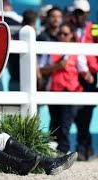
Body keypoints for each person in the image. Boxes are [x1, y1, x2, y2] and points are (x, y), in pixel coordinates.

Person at [39, 23, 93, 155]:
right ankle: (57, 152)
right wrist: (58, 66)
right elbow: (42, 69)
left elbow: (84, 71)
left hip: (71, 92)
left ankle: (64, 151)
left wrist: (89, 76)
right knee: (55, 124)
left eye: (65, 34)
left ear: (71, 36)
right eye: (60, 34)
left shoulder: (76, 51)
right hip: (54, 91)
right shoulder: (51, 50)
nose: (62, 36)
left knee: (65, 124)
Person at [71, 0, 98, 161]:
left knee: (86, 114)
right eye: (77, 12)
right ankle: (84, 147)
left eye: (82, 13)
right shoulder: (69, 28)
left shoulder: (94, 28)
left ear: (87, 14)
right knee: (75, 113)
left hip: (90, 77)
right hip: (74, 75)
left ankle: (85, 147)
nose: (79, 16)